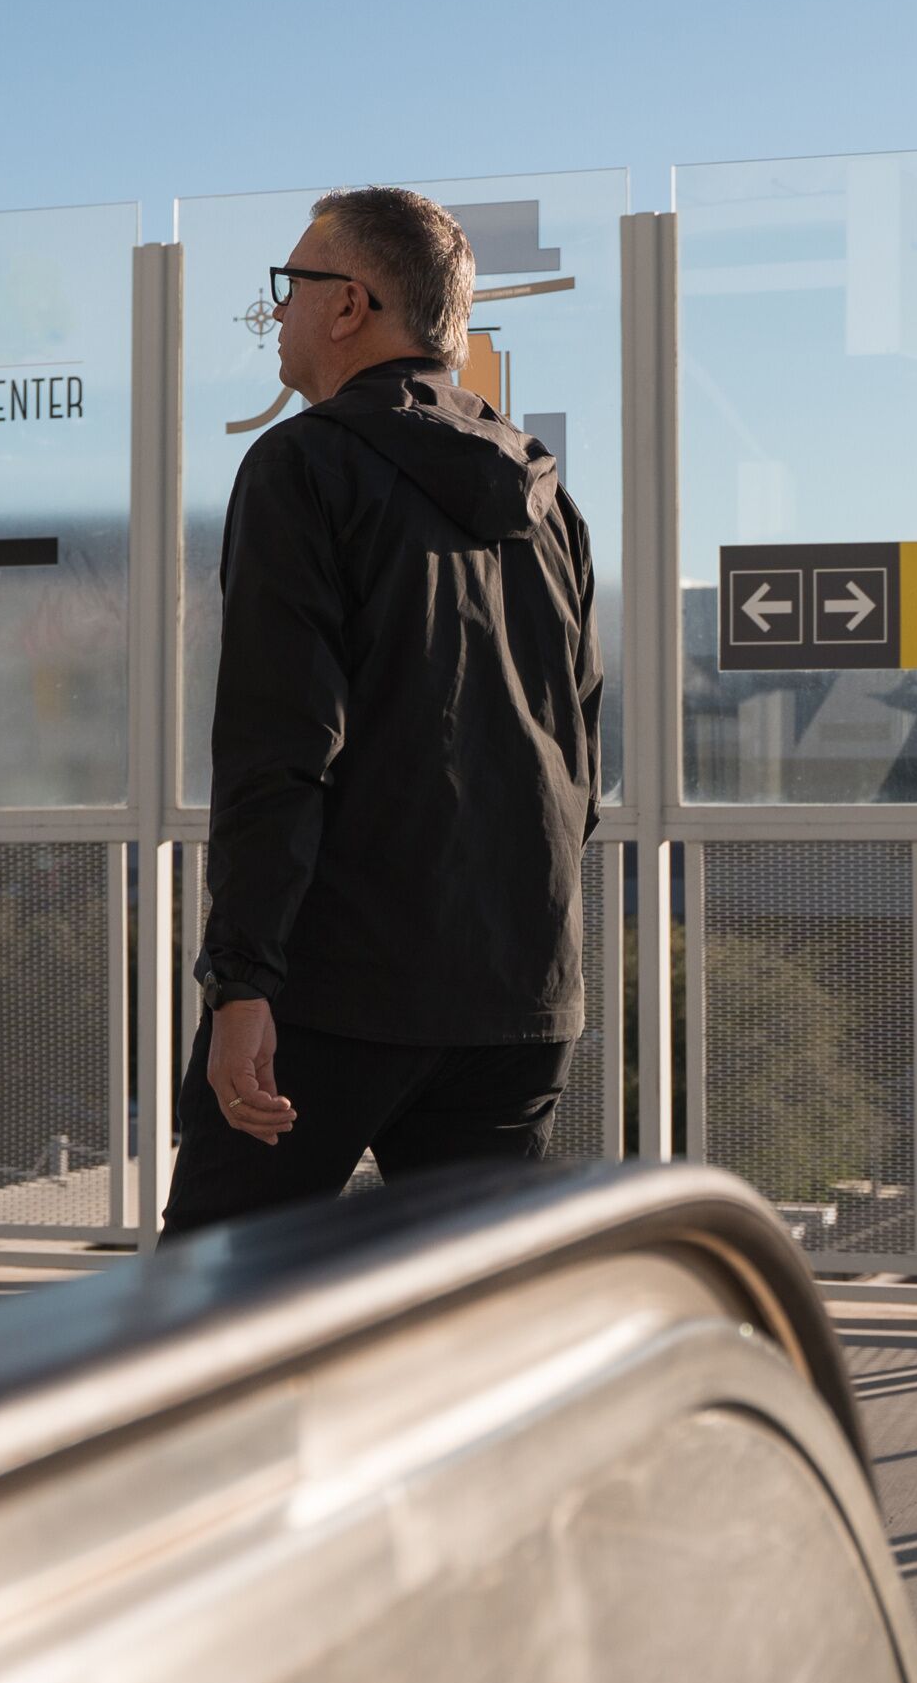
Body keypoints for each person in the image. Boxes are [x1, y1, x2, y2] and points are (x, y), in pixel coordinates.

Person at [162, 186, 602, 1234]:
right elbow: (580, 752)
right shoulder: (547, 501)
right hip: (521, 990)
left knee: (205, 1319)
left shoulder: (303, 466)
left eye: (291, 286)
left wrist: (241, 982)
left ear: (349, 304)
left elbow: (279, 745)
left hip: (336, 989)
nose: (278, 313)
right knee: (466, 1324)